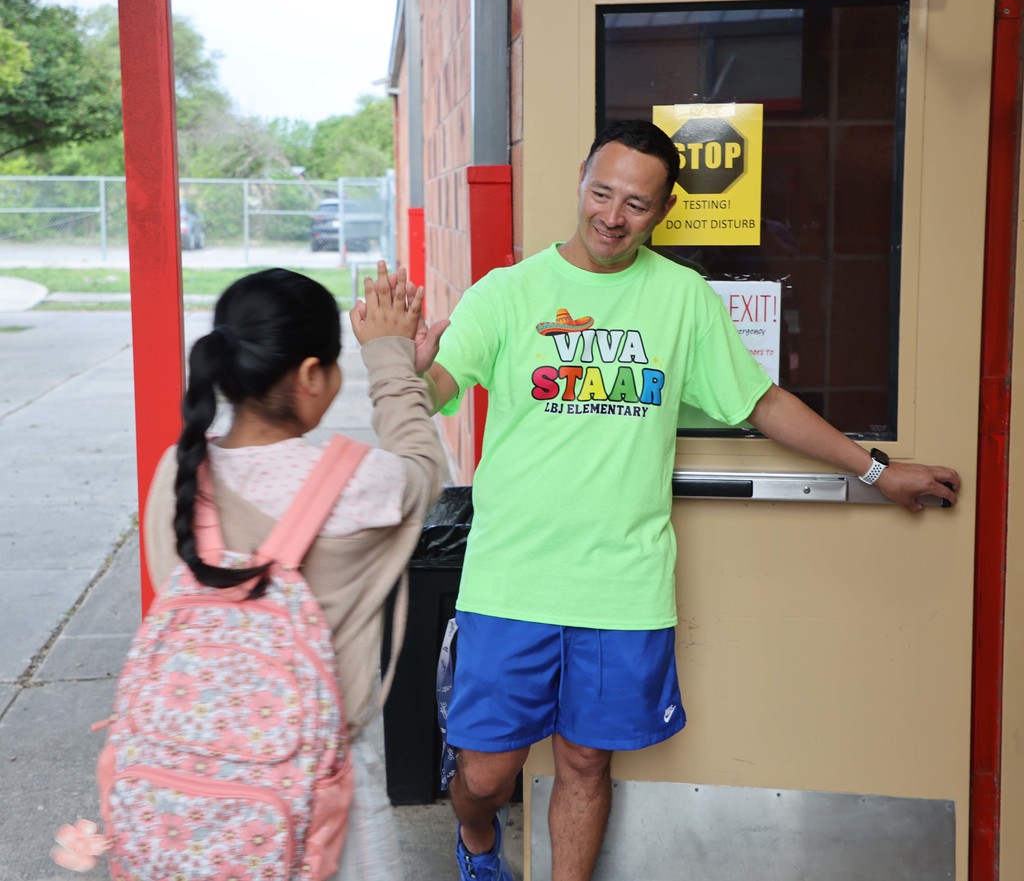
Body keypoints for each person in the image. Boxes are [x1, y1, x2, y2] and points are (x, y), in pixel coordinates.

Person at [421, 120, 961, 881]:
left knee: (583, 761)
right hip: (512, 579)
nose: (613, 215)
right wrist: (400, 362)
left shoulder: (681, 299)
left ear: (664, 209)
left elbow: (762, 402)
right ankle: (478, 844)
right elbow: (434, 388)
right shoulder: (509, 293)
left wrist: (875, 470)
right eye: (602, 193)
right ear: (580, 181)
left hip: (622, 585)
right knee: (485, 776)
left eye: (636, 204)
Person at [143, 264, 448, 881]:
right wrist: (392, 359)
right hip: (318, 787)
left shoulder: (176, 474)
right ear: (312, 375)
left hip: (187, 780)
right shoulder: (359, 485)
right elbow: (422, 463)